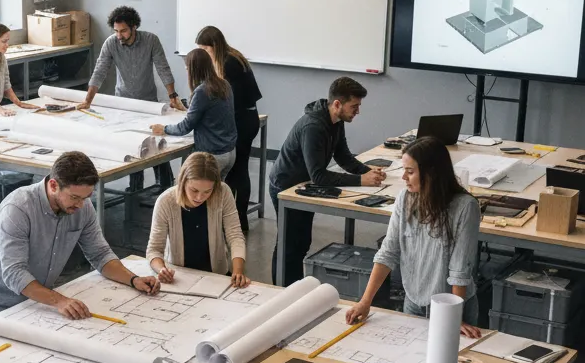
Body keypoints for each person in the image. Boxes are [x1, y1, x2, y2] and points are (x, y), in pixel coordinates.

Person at [0, 150, 161, 316]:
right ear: (53, 185)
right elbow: (14, 273)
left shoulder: (82, 206)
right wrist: (59, 301)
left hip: (41, 300)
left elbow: (100, 254)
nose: (80, 205)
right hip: (2, 303)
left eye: (86, 197)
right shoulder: (17, 209)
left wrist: (133, 279)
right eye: (74, 197)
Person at [346, 137, 482, 337]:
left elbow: (459, 269)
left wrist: (455, 317)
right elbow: (388, 252)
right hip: (413, 302)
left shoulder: (465, 207)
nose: (404, 177)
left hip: (451, 305)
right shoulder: (405, 199)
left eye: (410, 172)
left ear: (431, 173)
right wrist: (365, 302)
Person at [269, 76, 385, 285]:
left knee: (302, 242)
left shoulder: (336, 121)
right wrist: (361, 180)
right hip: (286, 186)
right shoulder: (313, 126)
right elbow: (319, 176)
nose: (358, 111)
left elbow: (343, 156)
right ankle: (282, 288)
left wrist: (368, 172)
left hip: (304, 185)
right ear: (337, 104)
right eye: (354, 106)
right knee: (289, 244)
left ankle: (294, 286)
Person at [81, 6, 186, 191]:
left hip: (148, 102)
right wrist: (87, 101)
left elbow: (163, 68)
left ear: (134, 27)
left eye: (123, 31)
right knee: (133, 144)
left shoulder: (151, 40)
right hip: (123, 102)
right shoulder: (111, 43)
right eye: (116, 31)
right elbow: (99, 71)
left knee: (156, 143)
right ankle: (135, 189)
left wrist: (172, 96)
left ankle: (165, 185)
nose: (119, 35)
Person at [146, 151, 249, 287]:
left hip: (216, 275)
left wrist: (238, 271)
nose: (200, 197)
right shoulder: (165, 201)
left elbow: (235, 235)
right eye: (194, 190)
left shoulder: (222, 192)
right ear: (183, 182)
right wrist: (162, 270)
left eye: (207, 191)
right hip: (179, 278)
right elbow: (154, 249)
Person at [195, 25, 262, 230]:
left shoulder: (227, 64)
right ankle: (239, 220)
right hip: (249, 117)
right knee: (240, 170)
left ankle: (235, 221)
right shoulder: (233, 55)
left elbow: (225, 101)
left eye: (205, 49)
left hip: (242, 121)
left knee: (236, 173)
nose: (203, 54)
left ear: (214, 46)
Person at [150, 48, 237, 179]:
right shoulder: (224, 84)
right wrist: (186, 109)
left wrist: (164, 129)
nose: (186, 72)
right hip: (229, 153)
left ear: (193, 70)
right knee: (215, 191)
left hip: (213, 155)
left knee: (184, 187)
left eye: (187, 69)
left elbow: (186, 126)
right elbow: (211, 113)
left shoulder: (202, 91)